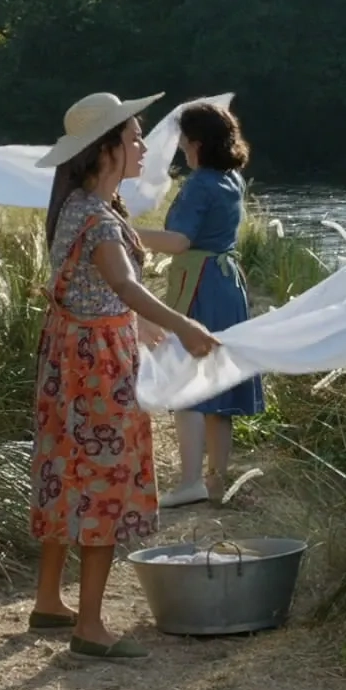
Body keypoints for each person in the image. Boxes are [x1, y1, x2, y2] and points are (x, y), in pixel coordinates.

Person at [30, 91, 220, 660]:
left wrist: (135, 326)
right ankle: (89, 626)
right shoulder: (96, 215)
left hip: (70, 353)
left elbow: (98, 291)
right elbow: (123, 285)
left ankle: (48, 602)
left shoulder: (82, 205)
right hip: (96, 365)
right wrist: (184, 324)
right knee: (103, 482)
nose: (143, 147)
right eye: (134, 138)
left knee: (68, 471)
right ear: (107, 148)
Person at [136, 101, 264, 508]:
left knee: (185, 377)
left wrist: (124, 230)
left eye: (183, 144)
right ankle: (215, 480)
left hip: (200, 283)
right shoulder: (231, 179)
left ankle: (190, 479)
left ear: (196, 144)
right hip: (228, 282)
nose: (180, 152)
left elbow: (178, 242)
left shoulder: (200, 184)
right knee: (217, 380)